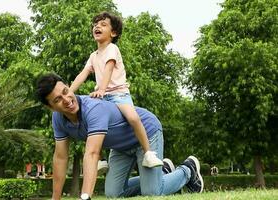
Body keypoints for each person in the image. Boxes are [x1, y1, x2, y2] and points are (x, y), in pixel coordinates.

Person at [35, 73, 204, 199]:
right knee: (113, 194)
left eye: (66, 91)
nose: (67, 99)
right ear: (51, 107)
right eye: (58, 99)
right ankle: (163, 173)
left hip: (146, 133)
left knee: (152, 192)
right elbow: (60, 158)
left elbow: (92, 154)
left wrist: (85, 197)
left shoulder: (93, 109)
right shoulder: (58, 119)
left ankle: (188, 170)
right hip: (120, 147)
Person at [70, 11, 162, 171]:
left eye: (103, 24)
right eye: (95, 24)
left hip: (118, 95)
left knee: (133, 118)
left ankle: (148, 153)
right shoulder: (93, 56)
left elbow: (109, 69)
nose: (97, 26)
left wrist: (102, 90)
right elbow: (82, 74)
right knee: (91, 123)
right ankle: (100, 159)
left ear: (113, 33)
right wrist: (69, 93)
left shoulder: (112, 48)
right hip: (102, 96)